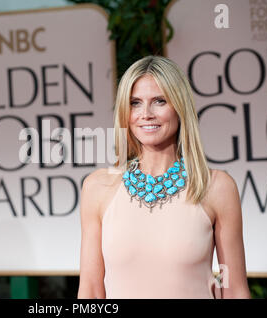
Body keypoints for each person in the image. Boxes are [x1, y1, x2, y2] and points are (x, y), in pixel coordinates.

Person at [77, 55, 251, 299]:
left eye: (159, 101)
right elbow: (91, 292)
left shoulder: (216, 187)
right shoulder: (98, 187)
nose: (146, 113)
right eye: (135, 103)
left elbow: (234, 291)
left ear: (180, 107)